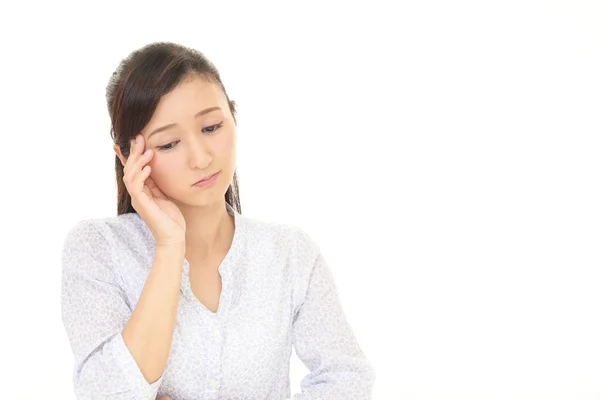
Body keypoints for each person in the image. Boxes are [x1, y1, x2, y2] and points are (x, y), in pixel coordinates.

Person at [60, 41, 375, 400]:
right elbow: (107, 393)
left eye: (211, 127)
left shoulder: (291, 254)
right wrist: (169, 247)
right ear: (127, 156)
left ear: (233, 118)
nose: (201, 157)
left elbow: (347, 380)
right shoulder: (98, 249)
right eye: (168, 144)